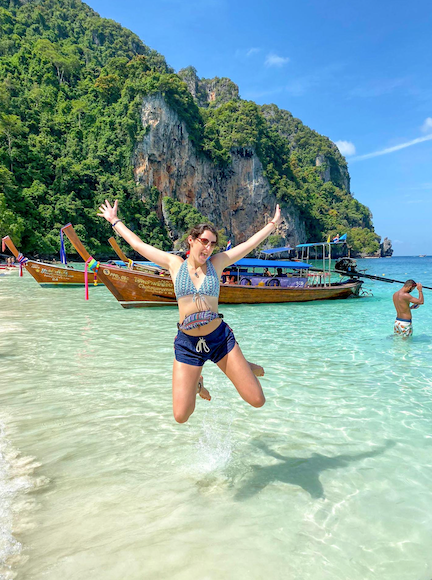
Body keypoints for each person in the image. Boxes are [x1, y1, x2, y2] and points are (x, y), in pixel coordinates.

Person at [98, 200, 282, 423]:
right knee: (181, 415)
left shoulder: (218, 263)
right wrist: (114, 221)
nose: (208, 248)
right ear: (191, 240)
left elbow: (250, 244)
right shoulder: (174, 264)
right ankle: (198, 383)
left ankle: (242, 365)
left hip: (219, 340)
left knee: (257, 400)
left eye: (213, 244)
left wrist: (272, 224)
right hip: (188, 344)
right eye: (204, 241)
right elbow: (138, 245)